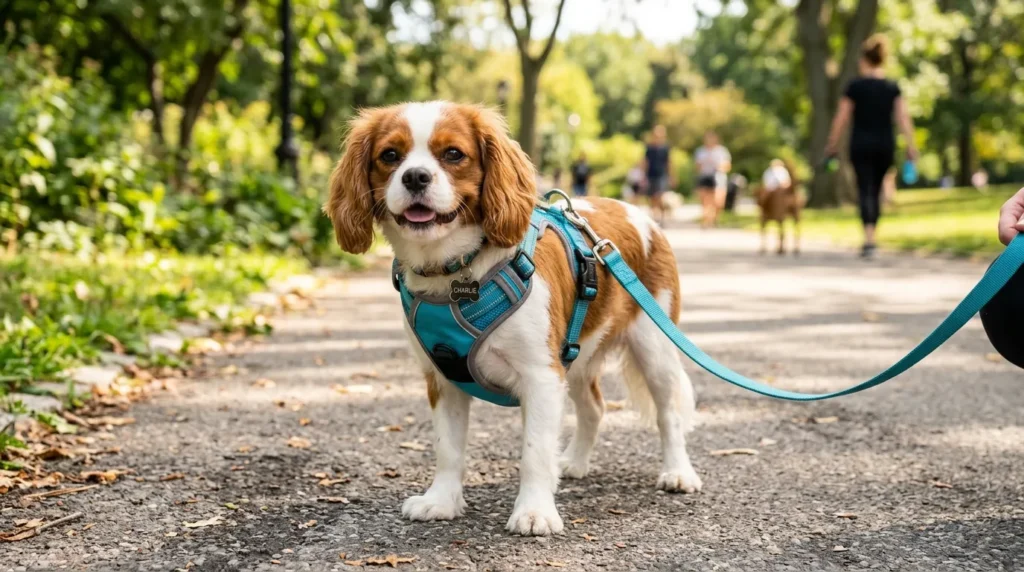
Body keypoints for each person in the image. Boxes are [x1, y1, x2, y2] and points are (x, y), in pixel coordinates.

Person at [826, 34, 917, 258]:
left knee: (864, 188)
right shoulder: (891, 87)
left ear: (864, 60)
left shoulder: (855, 86)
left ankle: (868, 239)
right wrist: (910, 146)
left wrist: (832, 144)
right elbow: (903, 118)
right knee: (875, 190)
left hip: (861, 145)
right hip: (885, 145)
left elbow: (842, 117)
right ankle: (872, 236)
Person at [694, 130, 731, 228]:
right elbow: (697, 166)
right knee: (705, 200)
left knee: (718, 202)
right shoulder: (701, 151)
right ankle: (706, 220)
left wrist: (720, 167)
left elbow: (727, 165)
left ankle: (715, 218)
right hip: (705, 176)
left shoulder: (722, 151)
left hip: (718, 176)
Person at [643, 125, 672, 224]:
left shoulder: (665, 148)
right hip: (651, 174)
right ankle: (655, 216)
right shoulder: (649, 148)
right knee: (652, 197)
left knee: (660, 196)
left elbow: (669, 162)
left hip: (662, 175)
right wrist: (644, 175)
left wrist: (672, 176)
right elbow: (646, 162)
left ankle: (662, 217)